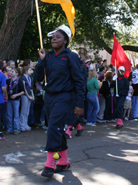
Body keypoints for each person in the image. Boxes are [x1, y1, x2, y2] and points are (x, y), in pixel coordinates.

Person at [34, 25, 86, 178]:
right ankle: (63, 161)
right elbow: (37, 77)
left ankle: (50, 163)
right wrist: (41, 60)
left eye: (58, 37)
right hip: (49, 96)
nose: (54, 39)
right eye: (52, 37)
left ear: (65, 40)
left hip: (65, 97)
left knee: (53, 127)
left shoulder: (71, 56)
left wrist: (79, 104)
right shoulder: (48, 55)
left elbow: (79, 81)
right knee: (54, 127)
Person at [6, 67, 24, 134]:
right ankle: (9, 128)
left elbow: (23, 91)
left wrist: (16, 95)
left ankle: (16, 129)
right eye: (10, 71)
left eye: (12, 71)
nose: (11, 73)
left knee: (16, 115)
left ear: (17, 73)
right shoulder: (8, 81)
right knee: (9, 114)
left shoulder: (19, 81)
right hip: (9, 99)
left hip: (16, 100)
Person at [20, 66, 35, 132]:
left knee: (27, 111)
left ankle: (25, 124)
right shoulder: (23, 78)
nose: (31, 71)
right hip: (25, 96)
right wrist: (28, 96)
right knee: (23, 110)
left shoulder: (29, 78)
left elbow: (30, 87)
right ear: (26, 71)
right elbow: (24, 88)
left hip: (29, 95)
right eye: (30, 70)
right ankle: (21, 125)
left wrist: (32, 95)